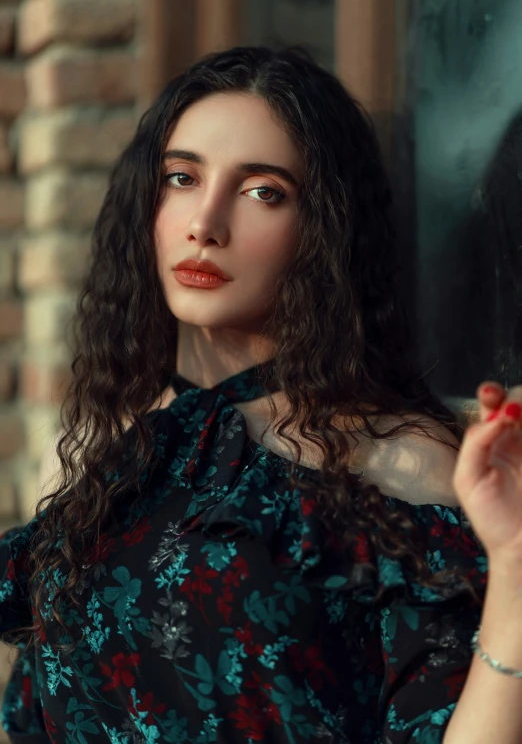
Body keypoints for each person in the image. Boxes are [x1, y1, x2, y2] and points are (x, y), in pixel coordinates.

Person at [1, 45, 522, 744]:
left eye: (263, 191)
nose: (204, 223)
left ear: (324, 230)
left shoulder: (397, 459)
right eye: (181, 178)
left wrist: (516, 561)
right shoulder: (104, 449)